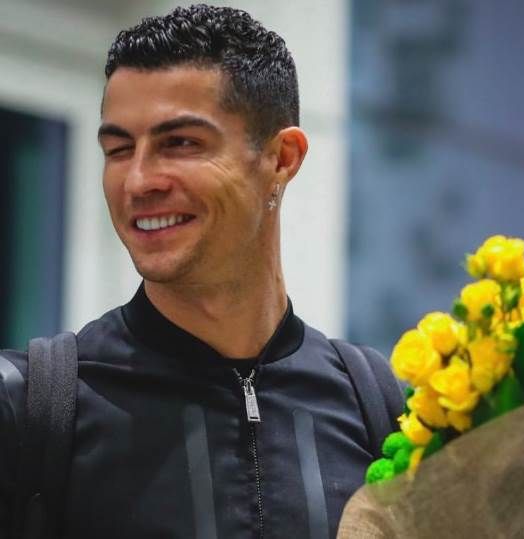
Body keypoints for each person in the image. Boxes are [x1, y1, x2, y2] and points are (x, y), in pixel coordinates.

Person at [0, 4, 402, 538]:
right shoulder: (27, 409)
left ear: (282, 158)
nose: (138, 181)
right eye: (118, 149)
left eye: (180, 143)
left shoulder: (378, 411)